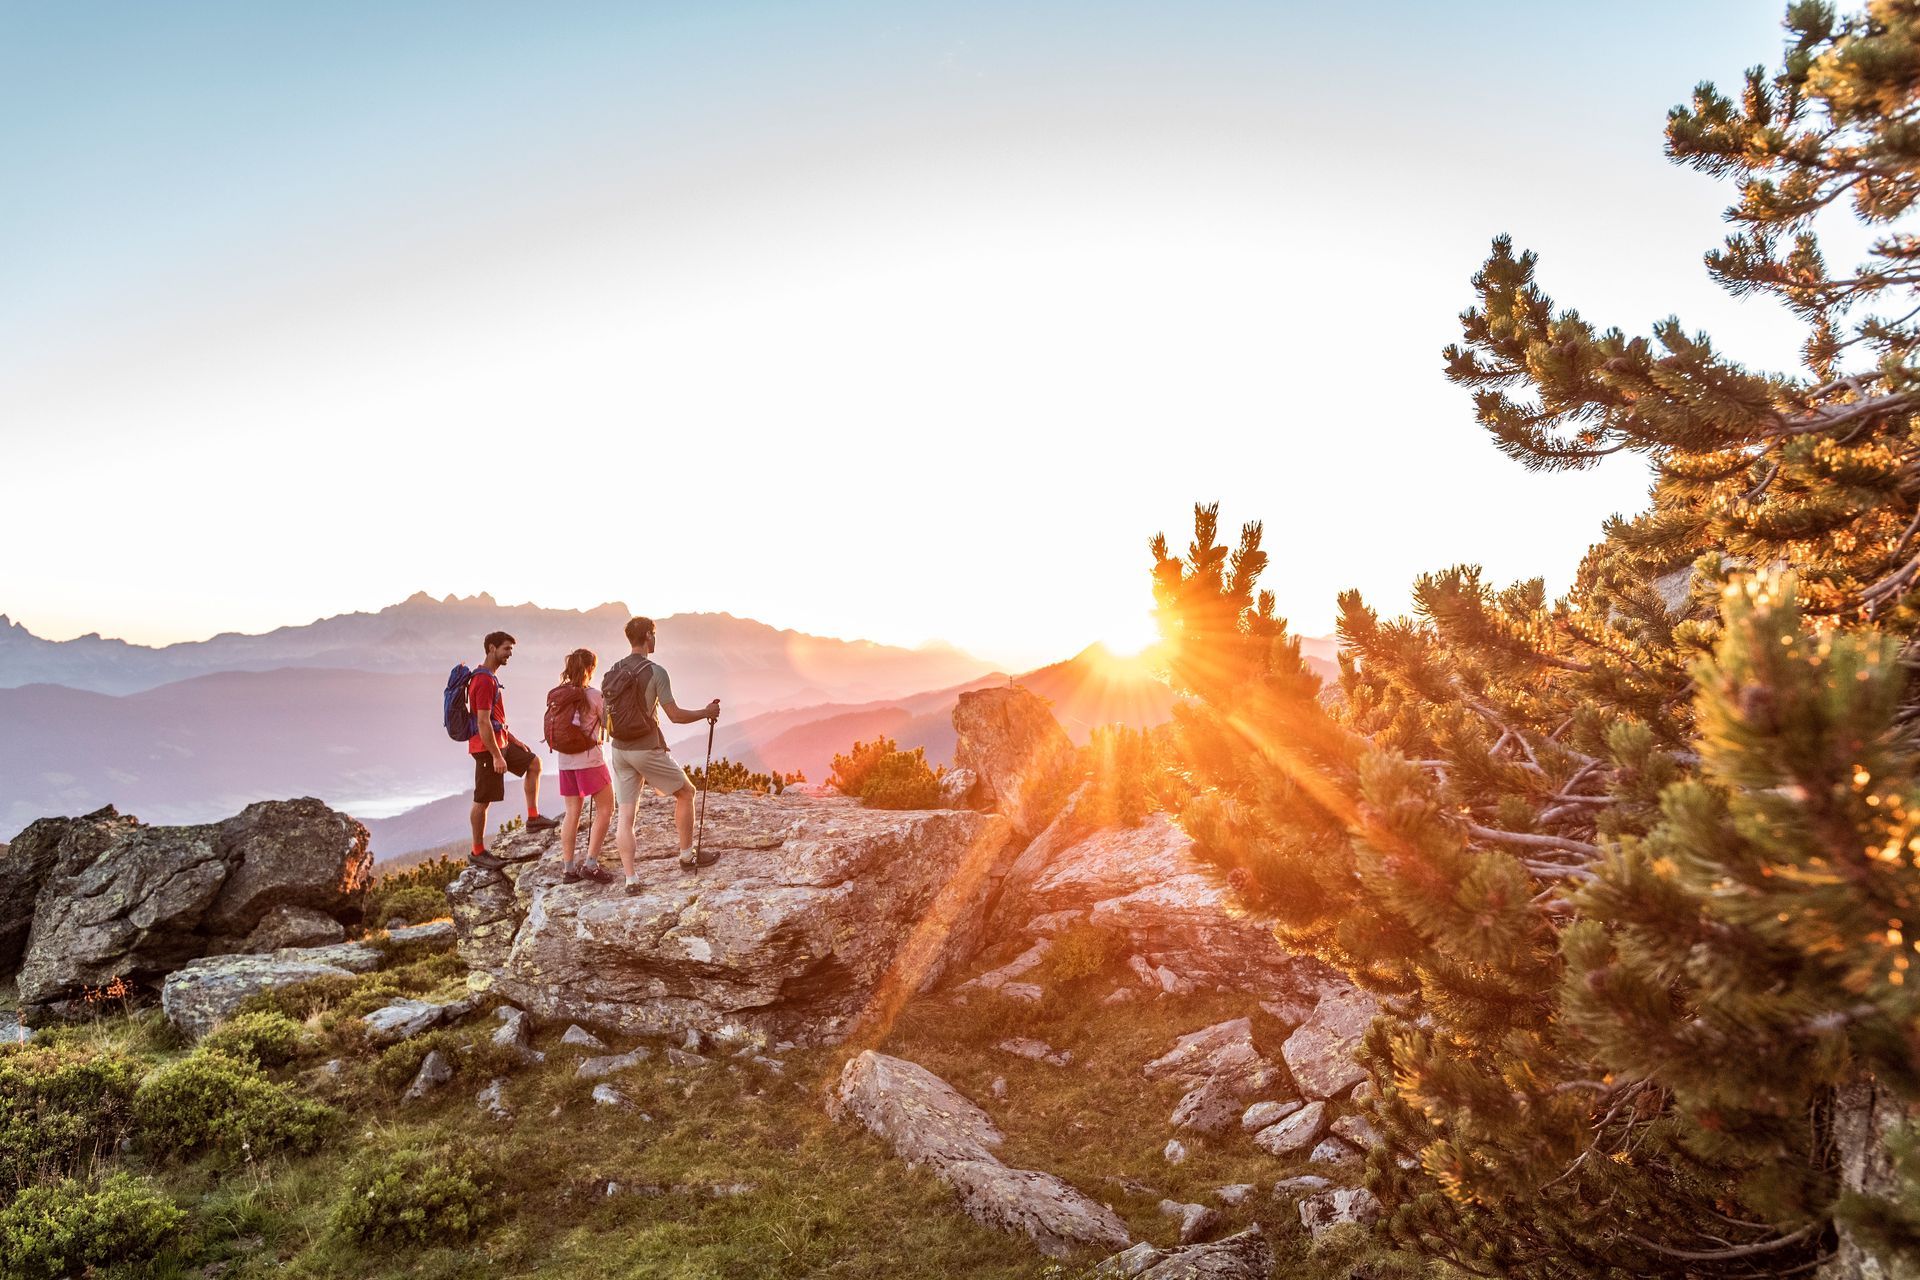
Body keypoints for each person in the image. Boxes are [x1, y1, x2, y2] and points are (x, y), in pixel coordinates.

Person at [601, 616, 719, 889]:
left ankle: (631, 879)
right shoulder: (656, 672)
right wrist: (706, 713)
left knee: (626, 816)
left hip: (618, 750)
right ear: (647, 637)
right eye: (653, 634)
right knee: (686, 793)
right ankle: (687, 855)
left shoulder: (614, 670)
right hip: (645, 747)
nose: (655, 639)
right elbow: (675, 715)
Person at [466, 630, 556, 871]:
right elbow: (482, 721)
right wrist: (496, 755)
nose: (509, 654)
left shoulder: (490, 677)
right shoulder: (484, 680)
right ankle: (477, 852)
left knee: (533, 763)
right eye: (506, 649)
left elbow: (494, 719)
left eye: (511, 650)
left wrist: (511, 739)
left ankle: (533, 818)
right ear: (492, 648)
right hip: (487, 749)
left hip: (501, 742)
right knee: (482, 800)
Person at [551, 648, 615, 885]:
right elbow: (611, 725)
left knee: (572, 813)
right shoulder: (595, 695)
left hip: (565, 761)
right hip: (590, 760)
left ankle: (568, 869)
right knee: (607, 809)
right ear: (590, 669)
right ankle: (590, 864)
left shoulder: (560, 694)